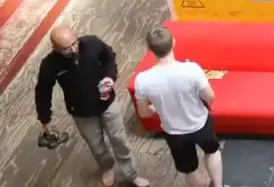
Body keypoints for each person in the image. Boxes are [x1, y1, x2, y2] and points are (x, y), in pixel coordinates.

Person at [35, 26, 150, 187]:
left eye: (75, 43)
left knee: (120, 140)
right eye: (67, 49)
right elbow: (43, 92)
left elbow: (109, 58)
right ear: (55, 48)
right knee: (96, 146)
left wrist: (110, 77)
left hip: (107, 103)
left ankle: (132, 174)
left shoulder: (92, 43)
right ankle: (107, 167)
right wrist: (45, 119)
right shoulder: (50, 65)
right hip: (81, 111)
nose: (74, 49)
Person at [133, 27, 223, 187]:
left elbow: (144, 113)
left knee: (190, 170)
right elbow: (210, 96)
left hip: (174, 132)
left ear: (149, 49)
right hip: (200, 124)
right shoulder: (191, 69)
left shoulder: (142, 80)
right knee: (212, 151)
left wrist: (155, 108)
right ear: (173, 42)